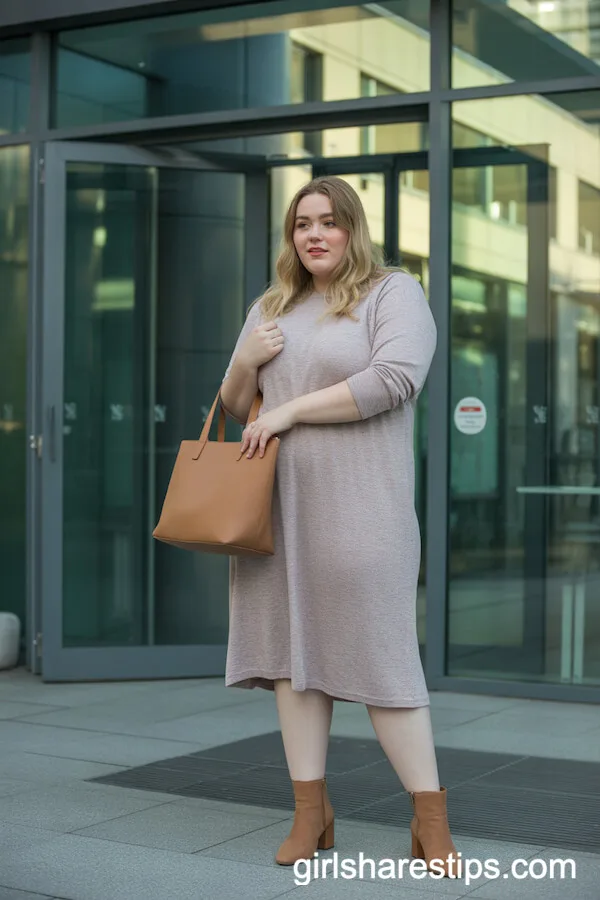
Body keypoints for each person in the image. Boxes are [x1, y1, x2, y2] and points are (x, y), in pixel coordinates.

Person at [220, 176, 456, 874]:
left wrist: (289, 410)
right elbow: (239, 407)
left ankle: (430, 818)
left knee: (385, 663)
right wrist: (245, 360)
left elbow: (395, 380)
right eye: (301, 225)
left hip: (363, 508)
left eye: (329, 222)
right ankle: (310, 813)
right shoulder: (273, 305)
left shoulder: (393, 293)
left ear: (353, 228)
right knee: (296, 665)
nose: (314, 235)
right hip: (277, 509)